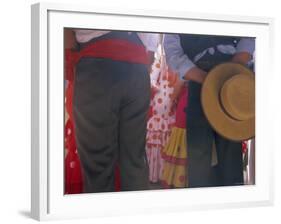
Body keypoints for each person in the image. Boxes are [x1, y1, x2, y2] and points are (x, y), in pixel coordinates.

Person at [65, 29, 159, 193]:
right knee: (134, 162)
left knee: (99, 168)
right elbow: (151, 51)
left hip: (97, 61)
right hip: (137, 65)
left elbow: (66, 35)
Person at [164, 34, 255, 187]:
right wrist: (210, 79)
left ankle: (233, 201)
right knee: (199, 155)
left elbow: (250, 37)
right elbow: (173, 53)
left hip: (231, 83)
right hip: (202, 81)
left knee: (230, 154)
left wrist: (227, 75)